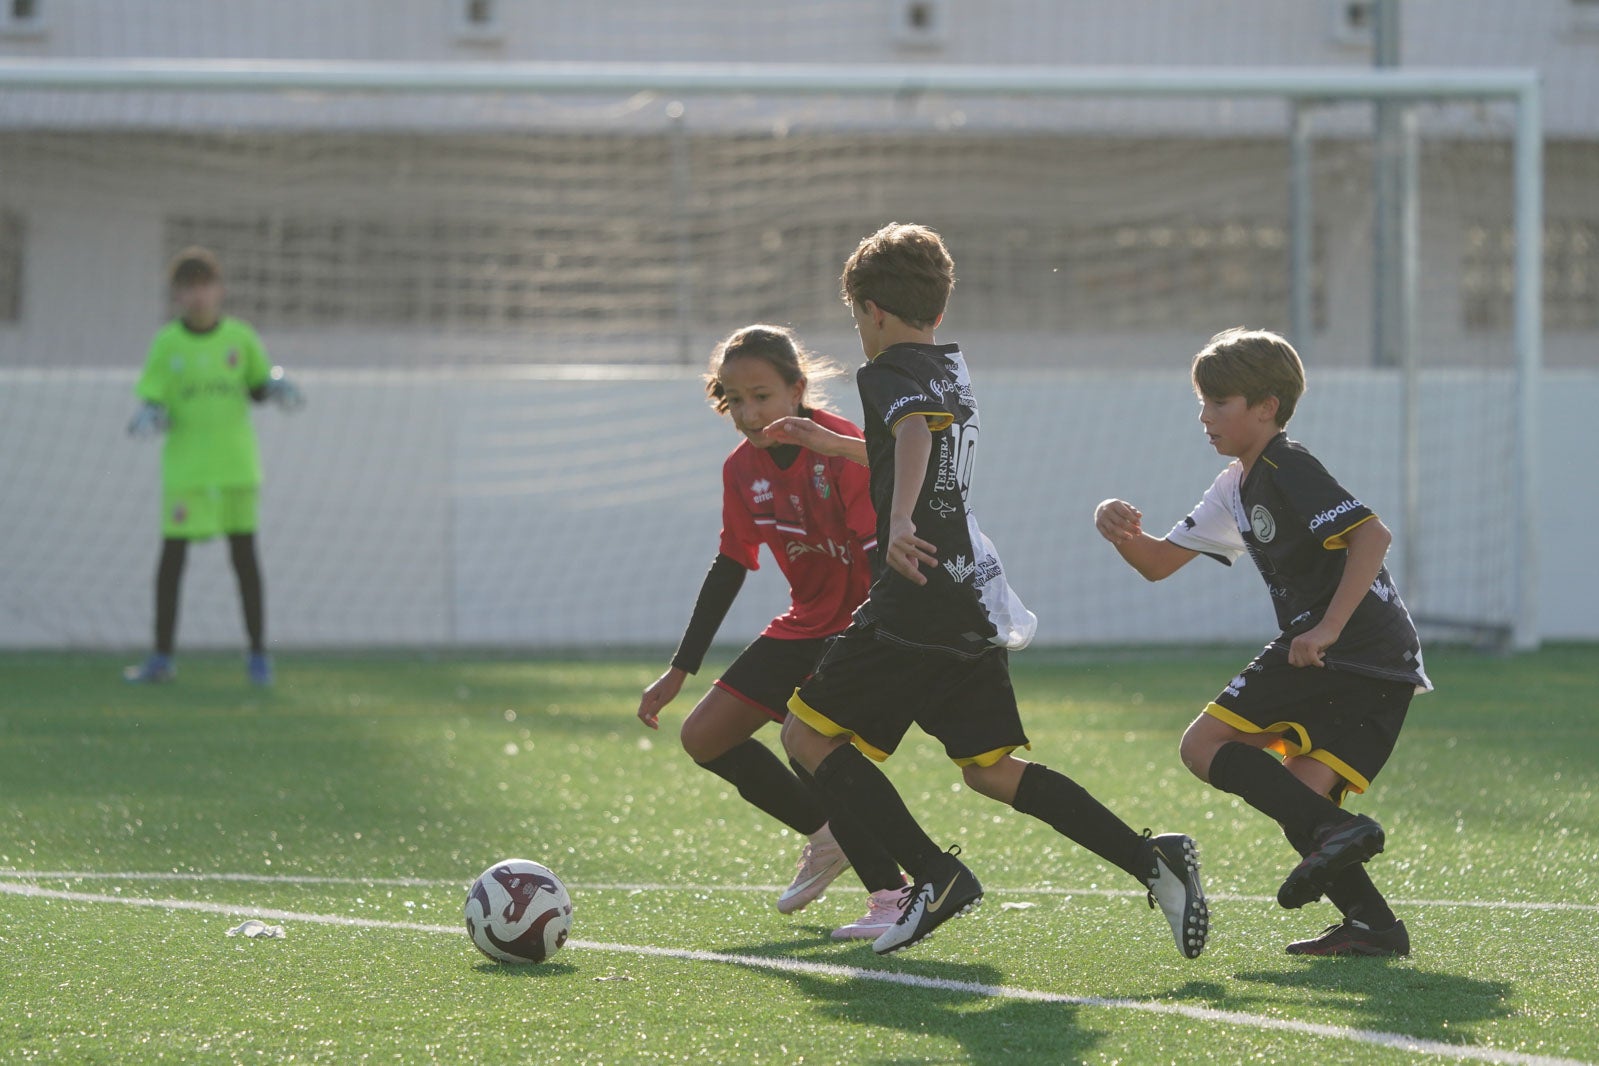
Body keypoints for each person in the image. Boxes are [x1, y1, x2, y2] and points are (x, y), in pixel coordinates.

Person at [774, 222, 1209, 958]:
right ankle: (1151, 860)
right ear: (936, 310)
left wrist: (901, 516)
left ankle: (935, 877)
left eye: (855, 318)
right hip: (967, 591)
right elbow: (918, 439)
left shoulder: (882, 372)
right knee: (991, 772)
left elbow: (912, 434)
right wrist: (838, 446)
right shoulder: (949, 365)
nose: (858, 331)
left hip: (916, 593)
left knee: (805, 735)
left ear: (872, 310)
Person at [1093, 326, 1431, 957]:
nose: (1205, 415)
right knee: (1300, 798)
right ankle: (1374, 925)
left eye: (1220, 402)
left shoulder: (1287, 464)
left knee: (1202, 745)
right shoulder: (1236, 484)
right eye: (1203, 402)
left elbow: (1372, 536)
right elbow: (1159, 562)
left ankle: (1340, 830)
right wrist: (1114, 526)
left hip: (1347, 647)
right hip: (1382, 661)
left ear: (1267, 407)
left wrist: (1326, 628)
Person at [637, 324, 909, 940]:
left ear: (797, 389)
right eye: (735, 400)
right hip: (803, 624)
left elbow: (876, 552)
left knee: (807, 743)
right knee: (705, 736)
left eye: (762, 396)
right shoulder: (741, 469)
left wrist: (874, 644)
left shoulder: (841, 448)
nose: (750, 413)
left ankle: (891, 895)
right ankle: (825, 836)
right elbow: (732, 562)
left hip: (862, 624)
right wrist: (680, 668)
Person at [124, 246, 303, 687]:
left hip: (236, 469)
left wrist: (276, 387)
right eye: (189, 289)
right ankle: (162, 657)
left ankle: (258, 656)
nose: (199, 296)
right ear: (178, 296)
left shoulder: (240, 339)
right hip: (187, 472)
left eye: (205, 286)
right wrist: (152, 412)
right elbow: (154, 399)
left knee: (245, 560)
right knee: (172, 562)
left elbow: (258, 386)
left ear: (219, 289)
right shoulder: (167, 344)